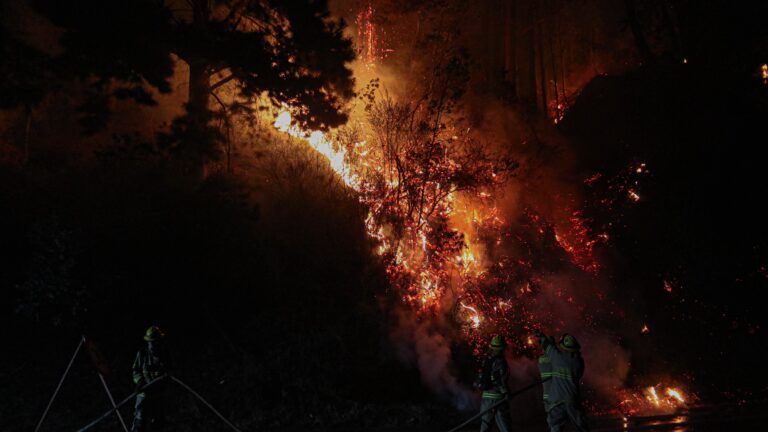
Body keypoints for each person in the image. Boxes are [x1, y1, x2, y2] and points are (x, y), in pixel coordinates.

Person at [535, 330, 589, 432]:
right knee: (581, 427)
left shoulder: (557, 358)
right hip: (572, 400)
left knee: (555, 427)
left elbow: (547, 346)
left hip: (557, 402)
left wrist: (541, 335)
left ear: (563, 347)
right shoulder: (579, 363)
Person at [131, 325, 168, 432]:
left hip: (158, 395)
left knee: (157, 423)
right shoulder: (142, 354)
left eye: (154, 341)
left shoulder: (164, 355)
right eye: (150, 342)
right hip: (144, 394)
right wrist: (139, 381)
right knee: (139, 422)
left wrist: (164, 379)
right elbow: (136, 370)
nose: (152, 344)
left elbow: (169, 371)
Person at [474, 335, 512, 432]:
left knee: (485, 427)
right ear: (501, 348)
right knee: (505, 427)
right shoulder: (500, 361)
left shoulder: (486, 360)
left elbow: (480, 378)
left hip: (486, 398)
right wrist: (506, 393)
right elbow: (499, 380)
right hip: (498, 399)